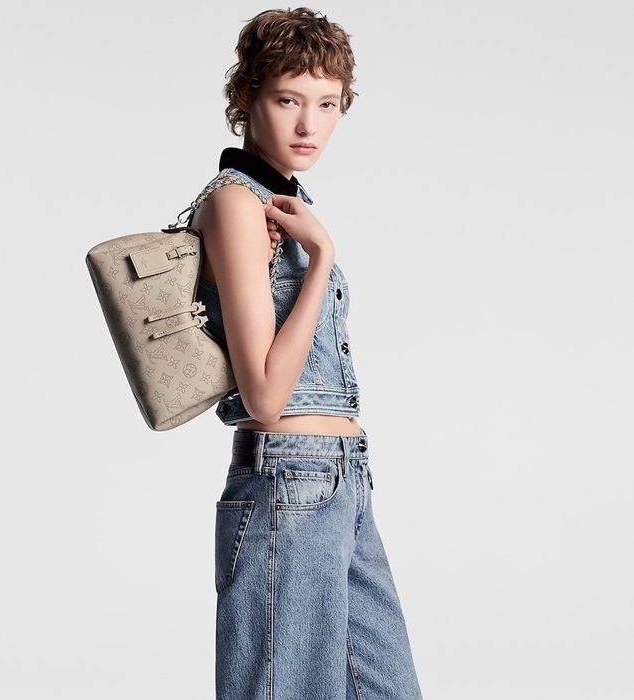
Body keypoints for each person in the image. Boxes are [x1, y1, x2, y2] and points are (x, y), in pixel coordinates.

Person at [190, 8, 423, 699]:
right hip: (290, 480)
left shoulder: (284, 204)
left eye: (327, 104)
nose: (308, 125)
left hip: (343, 478)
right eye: (288, 99)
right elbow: (264, 393)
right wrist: (320, 258)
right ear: (247, 97)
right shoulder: (237, 203)